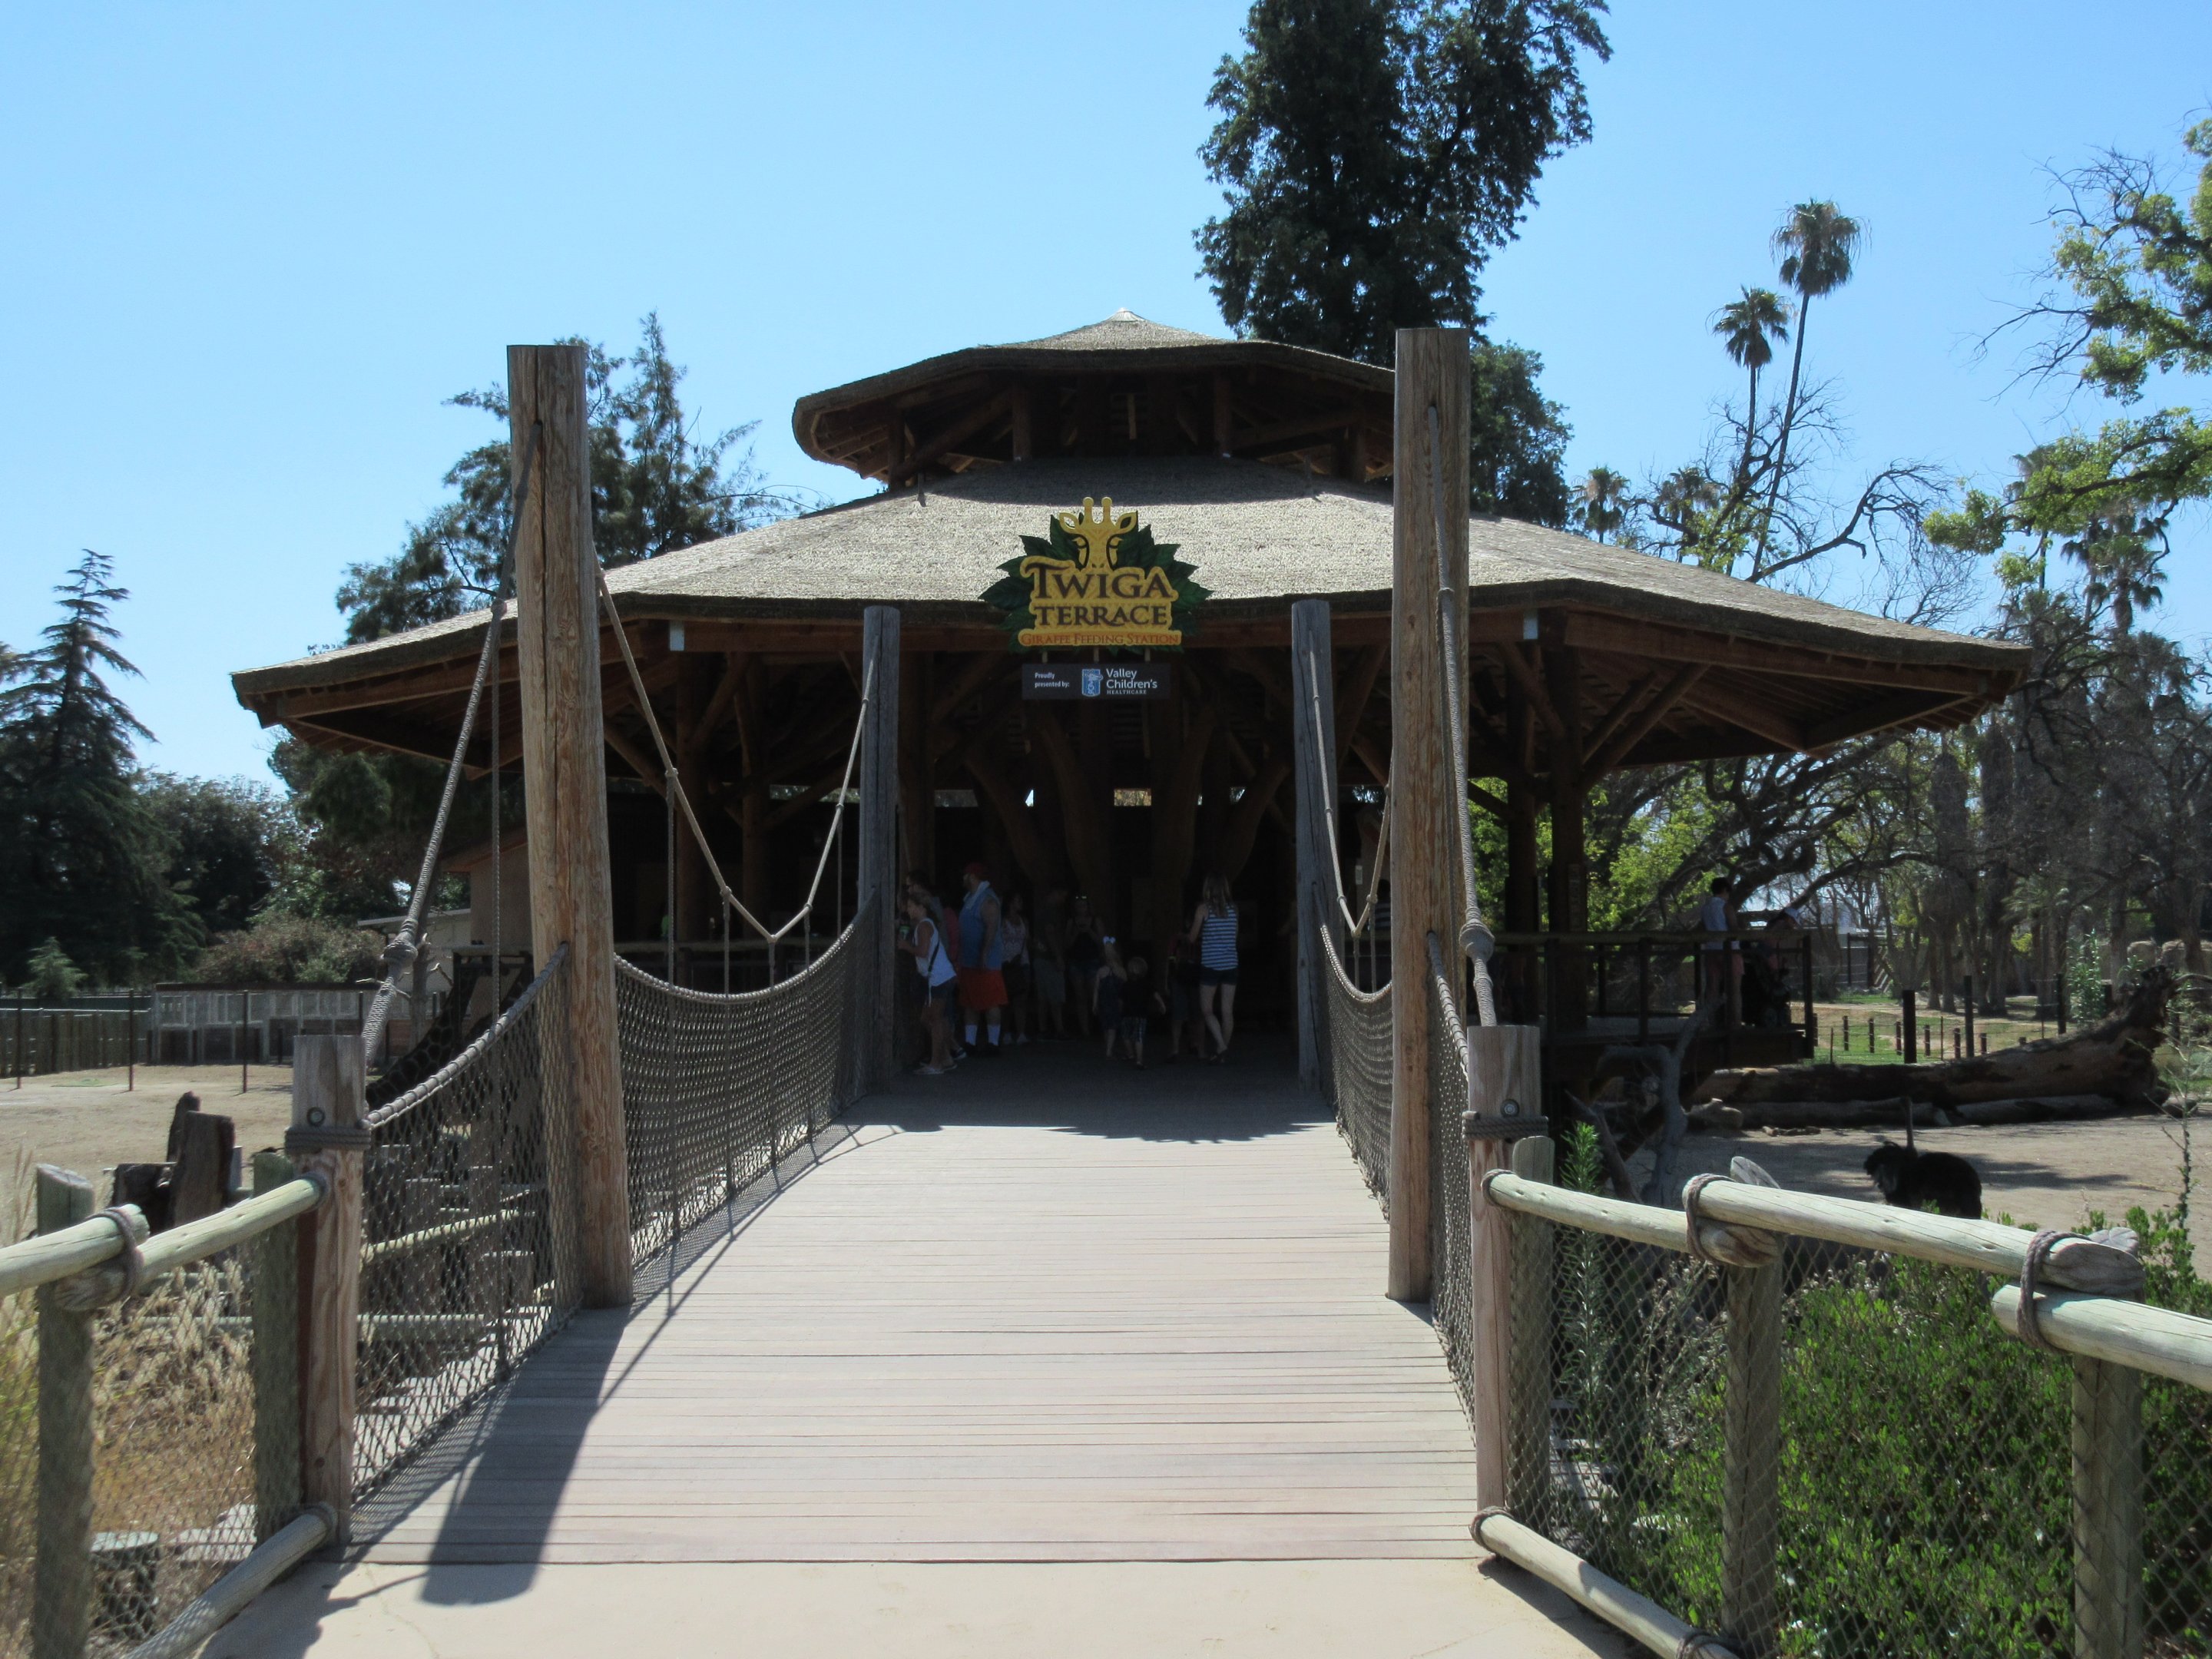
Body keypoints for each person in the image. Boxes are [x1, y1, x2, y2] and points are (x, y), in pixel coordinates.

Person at [898, 892, 957, 1074]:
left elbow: (923, 952)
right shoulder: (924, 924)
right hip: (939, 977)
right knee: (927, 1018)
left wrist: (905, 946)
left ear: (921, 907)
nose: (908, 909)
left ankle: (936, 1064)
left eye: (911, 906)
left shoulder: (924, 926)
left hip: (938, 978)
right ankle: (945, 1057)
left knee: (935, 1019)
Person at [955, 863, 1008, 1058]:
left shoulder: (988, 901)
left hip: (986, 962)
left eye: (965, 875)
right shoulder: (971, 898)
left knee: (991, 1000)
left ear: (972, 876)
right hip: (969, 960)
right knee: (970, 1001)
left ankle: (993, 1043)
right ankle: (970, 1041)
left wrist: (984, 953)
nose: (963, 878)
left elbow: (991, 928)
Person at [1186, 873, 1240, 1064]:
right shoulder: (1233, 909)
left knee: (1207, 1009)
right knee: (1227, 1011)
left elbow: (1192, 938)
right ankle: (1220, 1052)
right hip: (1231, 963)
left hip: (1211, 964)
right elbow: (1234, 936)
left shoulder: (1203, 909)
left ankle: (1221, 1047)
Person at [1063, 895, 1104, 1039]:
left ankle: (1101, 1026)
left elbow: (1102, 941)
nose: (1081, 908)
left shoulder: (1095, 920)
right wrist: (1076, 932)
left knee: (1094, 994)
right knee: (1080, 997)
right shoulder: (1071, 921)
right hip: (1076, 962)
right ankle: (1085, 1030)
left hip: (1092, 961)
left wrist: (1089, 930)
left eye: (1084, 905)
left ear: (1088, 906)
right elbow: (1067, 944)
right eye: (1078, 905)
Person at [1032, 884, 1069, 1038]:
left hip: (1040, 957)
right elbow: (1050, 933)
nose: (1063, 900)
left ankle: (1043, 1029)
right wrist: (1058, 956)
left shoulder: (1041, 910)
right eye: (1062, 896)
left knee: (1043, 997)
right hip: (1049, 958)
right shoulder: (1050, 911)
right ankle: (1059, 1030)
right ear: (1055, 893)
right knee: (1055, 996)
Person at [1118, 953, 1166, 1068]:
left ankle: (1132, 1054)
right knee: (1137, 1037)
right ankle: (1137, 1059)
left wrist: (1119, 1010)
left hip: (1128, 1014)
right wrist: (1162, 1004)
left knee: (1127, 1036)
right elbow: (1155, 994)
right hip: (1139, 1015)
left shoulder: (1126, 985)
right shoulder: (1145, 984)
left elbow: (1120, 1000)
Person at [1700, 876, 1737, 1008]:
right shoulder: (1726, 906)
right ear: (1725, 890)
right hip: (1729, 950)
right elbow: (1734, 928)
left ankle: (1710, 1016)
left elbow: (1703, 928)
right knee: (1734, 988)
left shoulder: (1705, 908)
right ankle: (1734, 1018)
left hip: (1711, 950)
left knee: (1712, 986)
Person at [1001, 892, 1033, 1045]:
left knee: (1021, 999)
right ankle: (1006, 1032)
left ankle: (1021, 1032)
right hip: (1006, 963)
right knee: (1006, 1000)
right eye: (1017, 900)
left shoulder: (1024, 921)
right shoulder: (1002, 921)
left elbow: (1028, 940)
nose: (1020, 903)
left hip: (1022, 962)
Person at [1094, 936, 1126, 1061]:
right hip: (1112, 1002)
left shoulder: (1103, 971)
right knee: (1110, 1027)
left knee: (1108, 1027)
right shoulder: (1119, 971)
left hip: (1108, 1002)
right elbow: (1125, 988)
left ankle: (1109, 1049)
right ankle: (1109, 1050)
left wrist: (1094, 1003)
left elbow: (1096, 989)